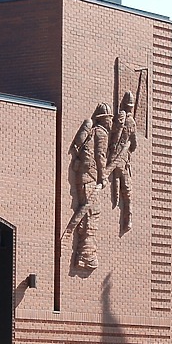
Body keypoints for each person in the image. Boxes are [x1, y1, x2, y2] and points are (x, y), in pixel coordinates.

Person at [68, 103, 112, 269]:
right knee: (92, 212)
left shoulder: (91, 132)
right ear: (104, 120)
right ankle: (85, 253)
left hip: (84, 176)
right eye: (109, 119)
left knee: (88, 211)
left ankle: (86, 251)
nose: (110, 123)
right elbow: (100, 156)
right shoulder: (100, 133)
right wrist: (103, 176)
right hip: (91, 177)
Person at [107, 91, 138, 231]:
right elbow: (134, 144)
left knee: (124, 188)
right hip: (122, 159)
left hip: (117, 157)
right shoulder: (130, 121)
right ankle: (128, 217)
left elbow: (114, 136)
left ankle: (128, 217)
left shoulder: (120, 118)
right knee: (127, 190)